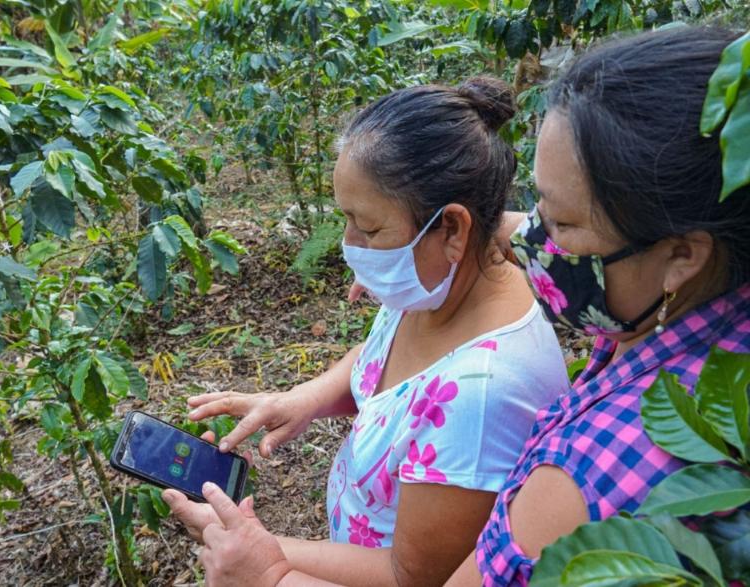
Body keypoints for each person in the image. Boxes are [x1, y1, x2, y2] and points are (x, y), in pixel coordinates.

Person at [165, 25, 750, 586]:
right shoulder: (666, 302)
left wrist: (267, 573)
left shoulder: (570, 464)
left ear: (681, 254)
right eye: (536, 208)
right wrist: (400, 262)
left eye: (563, 221)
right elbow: (395, 352)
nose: (538, 238)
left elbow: (417, 576)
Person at [163, 77, 570, 586]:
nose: (350, 246)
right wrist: (306, 398)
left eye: (369, 229)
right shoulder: (439, 284)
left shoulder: (481, 397)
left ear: (453, 229)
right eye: (346, 220)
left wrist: (258, 554)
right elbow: (386, 361)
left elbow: (413, 576)